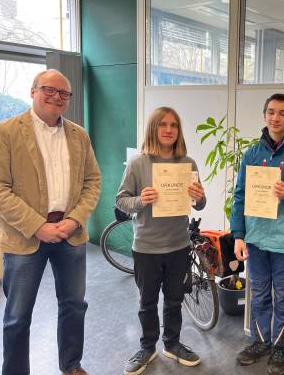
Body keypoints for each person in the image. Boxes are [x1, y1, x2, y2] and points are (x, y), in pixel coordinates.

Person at [0, 69, 101, 375]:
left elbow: (92, 182)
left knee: (74, 306)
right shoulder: (5, 132)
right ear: (33, 91)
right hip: (24, 237)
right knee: (17, 316)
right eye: (49, 90)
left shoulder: (79, 135)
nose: (57, 97)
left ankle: (71, 365)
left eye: (64, 93)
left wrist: (75, 219)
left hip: (70, 234)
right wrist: (38, 226)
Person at [116, 106, 206, 375]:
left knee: (174, 300)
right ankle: (147, 348)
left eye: (173, 125)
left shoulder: (188, 163)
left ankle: (172, 344)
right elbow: (121, 201)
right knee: (147, 302)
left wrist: (199, 197)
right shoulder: (138, 163)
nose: (168, 130)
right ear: (153, 129)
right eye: (163, 125)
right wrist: (141, 200)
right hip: (147, 247)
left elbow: (199, 204)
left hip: (179, 245)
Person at [231, 93, 284, 375]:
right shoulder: (252, 154)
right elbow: (240, 196)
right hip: (255, 239)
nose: (275, 118)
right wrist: (238, 235)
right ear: (264, 115)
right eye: (271, 112)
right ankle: (260, 341)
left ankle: (280, 347)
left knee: (282, 295)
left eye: (282, 113)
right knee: (258, 293)